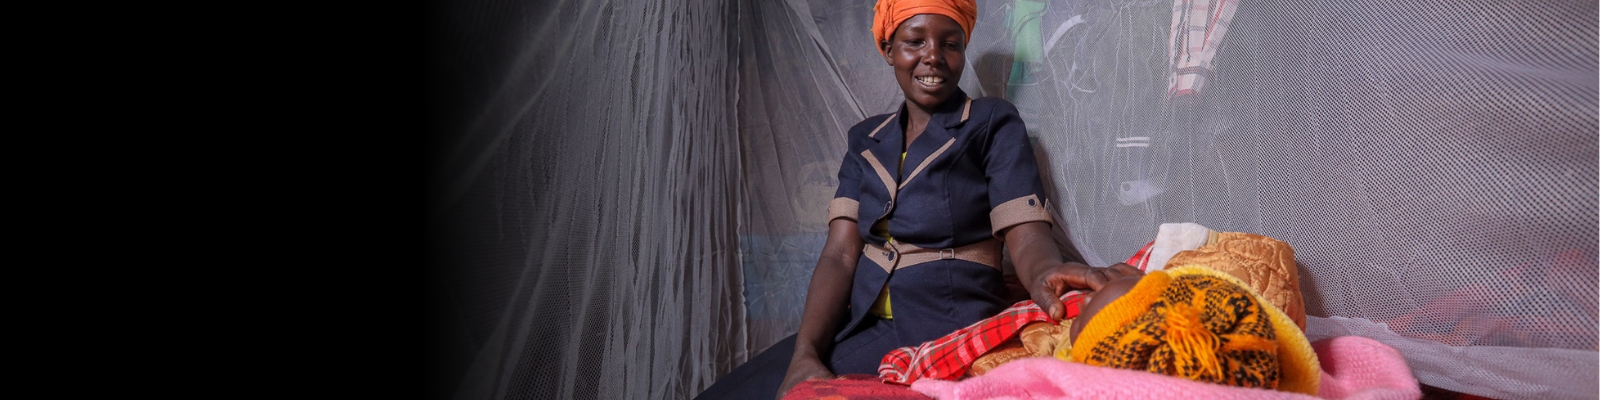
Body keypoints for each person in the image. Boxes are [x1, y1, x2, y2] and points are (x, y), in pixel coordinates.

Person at [693, 1, 1139, 398]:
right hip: (860, 322)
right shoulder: (865, 139)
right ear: (888, 49)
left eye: (950, 43)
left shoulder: (990, 123)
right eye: (914, 41)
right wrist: (805, 353)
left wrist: (1045, 271)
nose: (933, 56)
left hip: (940, 322)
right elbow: (840, 255)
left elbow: (1025, 232)